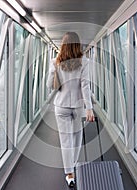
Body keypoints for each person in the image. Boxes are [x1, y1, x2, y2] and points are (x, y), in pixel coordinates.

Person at [46, 32, 94, 187]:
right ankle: (74, 165)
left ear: (63, 45)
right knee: (76, 139)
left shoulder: (55, 61)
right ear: (78, 44)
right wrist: (89, 108)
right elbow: (85, 86)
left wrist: (54, 70)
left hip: (61, 105)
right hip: (78, 106)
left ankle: (70, 174)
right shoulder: (84, 61)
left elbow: (49, 85)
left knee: (65, 141)